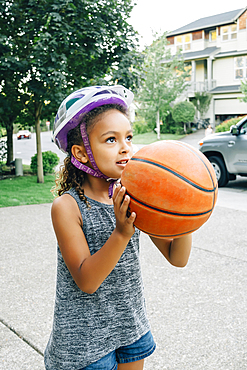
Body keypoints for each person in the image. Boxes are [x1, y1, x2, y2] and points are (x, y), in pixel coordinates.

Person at [44, 85, 192, 370]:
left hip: (130, 327)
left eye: (128, 137)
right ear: (82, 152)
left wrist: (186, 214)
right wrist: (122, 232)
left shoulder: (138, 198)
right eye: (111, 139)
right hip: (84, 340)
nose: (125, 147)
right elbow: (87, 281)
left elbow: (178, 257)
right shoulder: (67, 207)